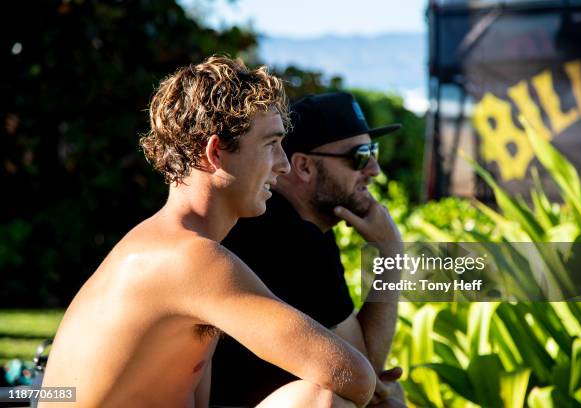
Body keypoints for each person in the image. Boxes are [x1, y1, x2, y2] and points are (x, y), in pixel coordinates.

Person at [40, 58, 377, 408]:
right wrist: (393, 257)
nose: (283, 163)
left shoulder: (169, 243)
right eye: (270, 144)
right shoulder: (193, 257)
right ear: (215, 152)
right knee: (316, 400)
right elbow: (362, 376)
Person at [211, 92, 405, 407]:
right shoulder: (291, 238)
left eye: (375, 151)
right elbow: (367, 369)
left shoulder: (300, 226)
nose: (374, 169)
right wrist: (390, 255)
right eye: (360, 155)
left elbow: (362, 369)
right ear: (303, 167)